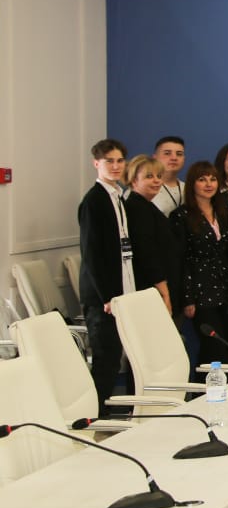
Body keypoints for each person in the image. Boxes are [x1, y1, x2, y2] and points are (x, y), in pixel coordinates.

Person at [78, 139, 139, 409]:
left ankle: (104, 413)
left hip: (121, 290)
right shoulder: (94, 200)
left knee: (116, 358)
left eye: (119, 161)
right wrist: (107, 296)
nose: (115, 166)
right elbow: (92, 254)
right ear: (96, 163)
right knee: (106, 360)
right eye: (109, 161)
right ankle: (95, 417)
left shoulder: (117, 196)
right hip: (103, 298)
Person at [170, 161, 228, 364]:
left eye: (212, 179)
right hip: (201, 292)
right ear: (192, 184)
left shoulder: (225, 212)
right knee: (213, 348)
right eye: (202, 180)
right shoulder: (181, 216)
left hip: (227, 290)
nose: (209, 184)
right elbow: (181, 259)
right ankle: (206, 383)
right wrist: (187, 298)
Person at [122, 155, 177, 316]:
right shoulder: (136, 208)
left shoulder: (145, 205)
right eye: (149, 176)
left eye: (159, 176)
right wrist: (164, 291)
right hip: (150, 288)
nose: (156, 181)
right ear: (134, 180)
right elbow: (145, 251)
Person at [154, 135, 186, 215]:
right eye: (167, 153)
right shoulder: (144, 189)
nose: (174, 158)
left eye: (179, 154)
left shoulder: (188, 189)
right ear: (154, 158)